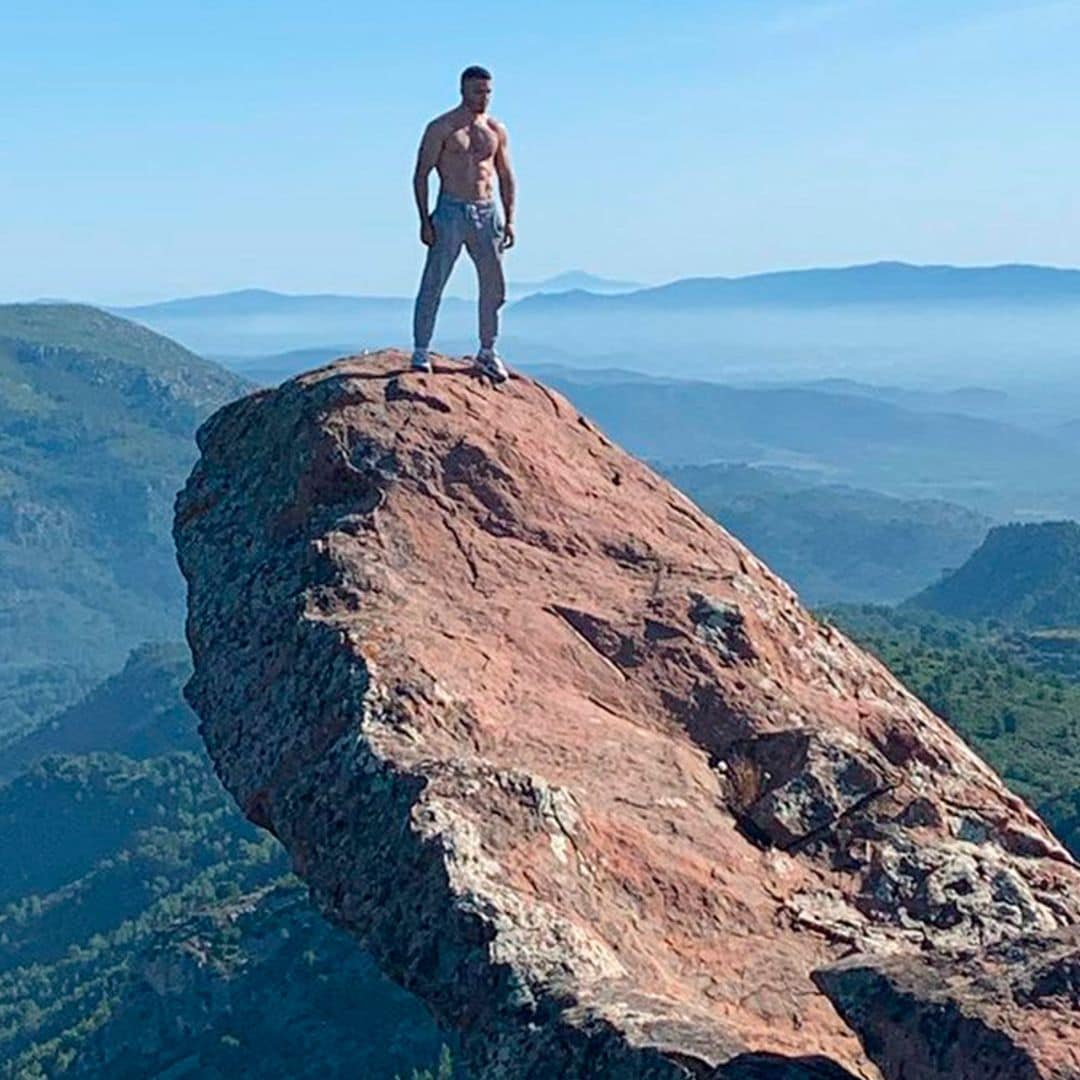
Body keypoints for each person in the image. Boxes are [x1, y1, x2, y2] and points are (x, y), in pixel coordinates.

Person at [410, 65, 516, 381]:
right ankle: (421, 349)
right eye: (477, 92)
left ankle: (487, 351)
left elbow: (506, 175)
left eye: (487, 92)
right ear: (462, 91)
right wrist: (424, 219)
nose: (483, 98)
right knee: (434, 281)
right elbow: (421, 174)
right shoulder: (442, 128)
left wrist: (510, 218)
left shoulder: (496, 130)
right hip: (451, 209)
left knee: (494, 285)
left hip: (487, 210)